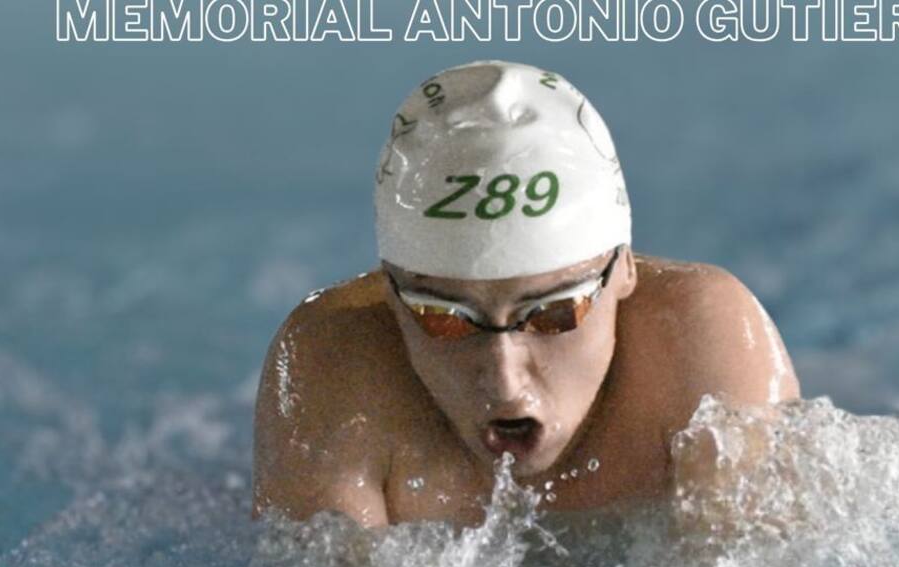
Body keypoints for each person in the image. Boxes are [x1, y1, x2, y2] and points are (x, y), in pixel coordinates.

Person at [252, 60, 800, 528]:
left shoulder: (705, 344)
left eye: (555, 313)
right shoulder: (332, 370)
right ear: (391, 298)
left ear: (625, 270)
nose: (504, 379)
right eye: (445, 317)